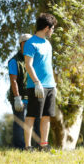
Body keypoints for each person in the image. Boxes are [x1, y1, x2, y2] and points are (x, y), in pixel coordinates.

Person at [23, 13, 57, 151]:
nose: (53, 31)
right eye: (52, 28)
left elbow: (48, 65)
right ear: (46, 28)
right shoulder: (31, 43)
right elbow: (28, 65)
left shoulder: (48, 44)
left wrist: (54, 84)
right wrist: (37, 82)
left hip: (50, 86)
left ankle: (44, 145)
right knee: (31, 116)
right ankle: (28, 146)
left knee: (46, 116)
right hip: (36, 86)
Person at [7, 34, 40, 149]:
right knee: (20, 123)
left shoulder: (33, 59)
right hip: (20, 97)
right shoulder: (14, 61)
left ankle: (38, 147)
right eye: (26, 43)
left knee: (37, 122)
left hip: (33, 95)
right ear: (21, 44)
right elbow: (13, 81)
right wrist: (17, 97)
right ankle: (20, 148)